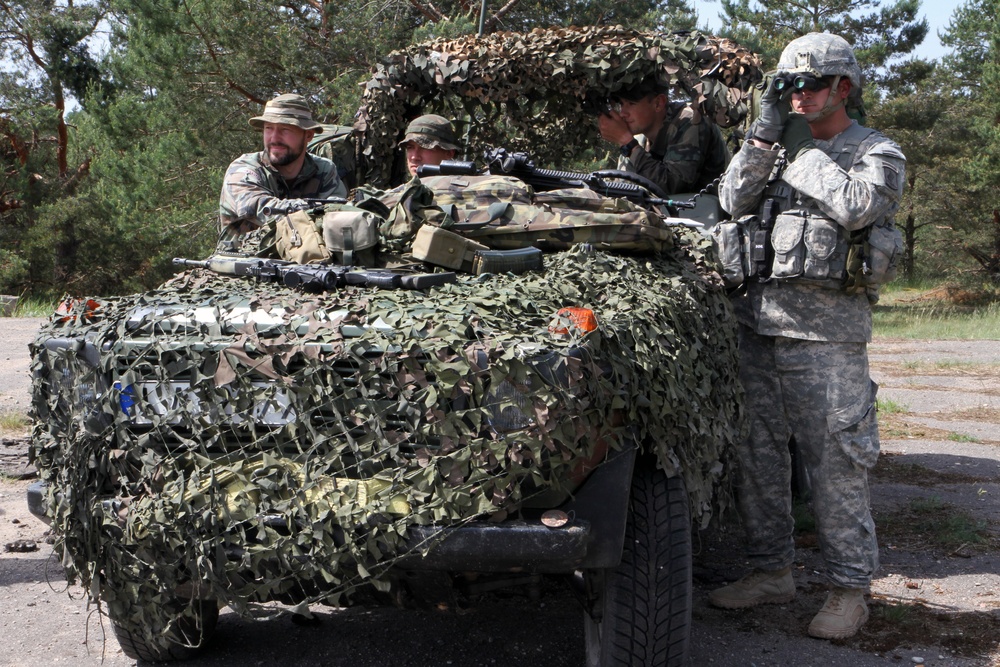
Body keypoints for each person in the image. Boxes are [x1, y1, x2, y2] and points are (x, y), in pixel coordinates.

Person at [707, 33, 906, 640]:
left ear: (843, 88)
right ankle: (772, 571)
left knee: (837, 463)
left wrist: (802, 154)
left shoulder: (875, 151)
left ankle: (849, 589)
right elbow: (729, 198)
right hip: (756, 326)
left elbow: (857, 208)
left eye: (811, 85)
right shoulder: (770, 147)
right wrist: (763, 137)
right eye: (788, 86)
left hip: (827, 338)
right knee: (756, 456)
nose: (798, 96)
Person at [219, 93, 347, 232]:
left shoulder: (324, 169)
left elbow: (337, 212)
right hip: (246, 253)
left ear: (308, 135)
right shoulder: (243, 169)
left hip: (311, 253)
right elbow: (260, 209)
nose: (274, 138)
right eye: (268, 128)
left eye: (285, 129)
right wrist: (317, 209)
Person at [597, 78, 730, 195]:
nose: (623, 114)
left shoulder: (690, 121)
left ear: (658, 103)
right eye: (621, 105)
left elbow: (672, 187)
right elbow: (624, 188)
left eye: (631, 104)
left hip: (703, 215)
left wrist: (628, 144)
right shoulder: (639, 140)